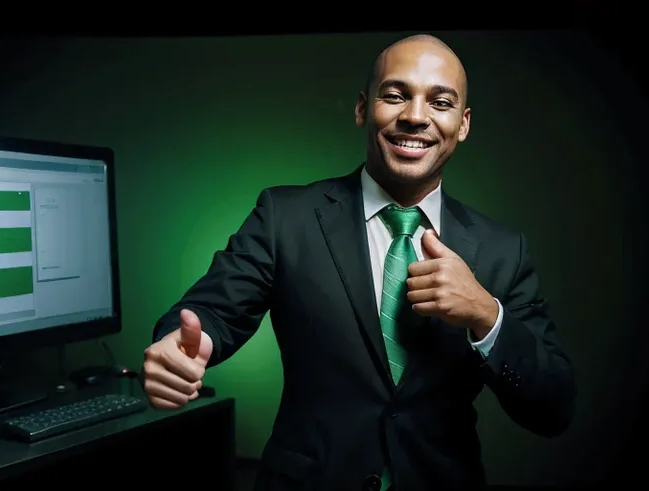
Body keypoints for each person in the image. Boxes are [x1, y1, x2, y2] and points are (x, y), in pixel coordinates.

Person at [141, 34, 577, 491]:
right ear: (362, 108)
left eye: (440, 102)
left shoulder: (503, 250)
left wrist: (486, 316)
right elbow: (211, 312)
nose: (414, 116)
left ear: (463, 124)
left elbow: (553, 408)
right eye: (395, 95)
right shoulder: (285, 217)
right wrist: (179, 345)